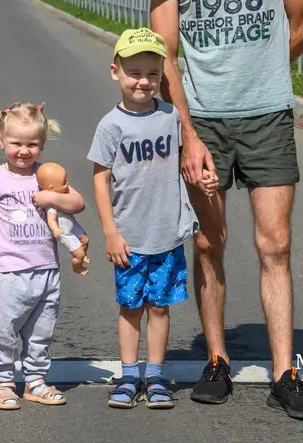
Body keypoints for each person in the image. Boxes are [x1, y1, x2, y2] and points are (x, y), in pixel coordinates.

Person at [147, 0, 303, 421]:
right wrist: (188, 135)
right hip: (204, 124)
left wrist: (267, 72)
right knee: (207, 244)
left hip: (268, 116)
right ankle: (217, 360)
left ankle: (284, 374)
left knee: (275, 244)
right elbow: (162, 55)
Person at [88, 28, 213, 410]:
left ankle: (154, 377)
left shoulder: (171, 116)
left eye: (152, 74)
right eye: (134, 72)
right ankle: (128, 377)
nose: (143, 81)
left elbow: (183, 161)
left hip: (167, 234)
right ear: (116, 72)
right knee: (131, 309)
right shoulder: (112, 125)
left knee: (159, 308)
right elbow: (100, 178)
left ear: (162, 75)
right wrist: (110, 232)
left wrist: (203, 178)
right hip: (129, 236)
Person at [0, 102, 86, 410]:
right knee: (6, 330)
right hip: (12, 269)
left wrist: (53, 197)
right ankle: (1, 382)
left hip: (47, 268)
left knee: (42, 330)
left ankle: (35, 380)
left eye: (32, 144)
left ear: (42, 144)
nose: (24, 151)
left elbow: (77, 202)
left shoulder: (47, 174)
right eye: (16, 143)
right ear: (1, 140)